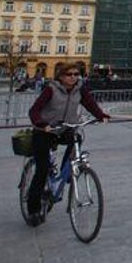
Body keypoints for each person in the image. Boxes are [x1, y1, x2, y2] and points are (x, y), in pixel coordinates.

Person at [26, 64, 110, 227]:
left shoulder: (80, 89)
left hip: (65, 129)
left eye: (76, 74)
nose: (73, 77)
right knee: (42, 170)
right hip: (45, 131)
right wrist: (40, 123)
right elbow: (34, 110)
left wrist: (101, 116)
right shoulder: (52, 89)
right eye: (69, 74)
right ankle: (33, 210)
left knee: (76, 139)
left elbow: (90, 104)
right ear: (61, 77)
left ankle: (67, 169)